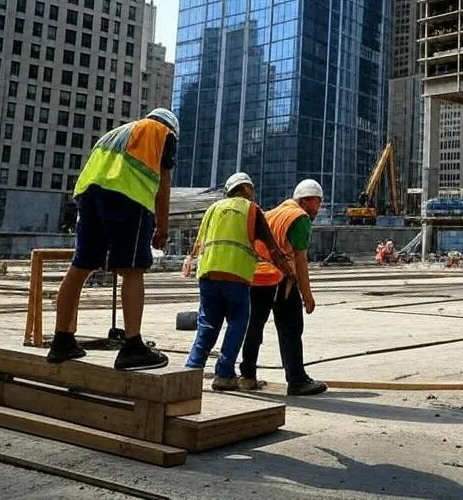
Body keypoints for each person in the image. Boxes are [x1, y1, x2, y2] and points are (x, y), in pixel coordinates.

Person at [46, 108, 180, 370]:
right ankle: (132, 346)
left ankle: (62, 340)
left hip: (89, 195)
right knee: (132, 269)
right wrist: (162, 226)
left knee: (80, 266)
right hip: (128, 196)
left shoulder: (114, 134)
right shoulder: (163, 133)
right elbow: (164, 184)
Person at [182, 172, 294, 391]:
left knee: (207, 323)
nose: (253, 193)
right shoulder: (251, 210)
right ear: (245, 189)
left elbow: (198, 243)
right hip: (234, 276)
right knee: (237, 322)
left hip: (208, 274)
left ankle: (192, 370)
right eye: (251, 189)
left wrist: (189, 262)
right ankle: (224, 374)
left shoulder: (213, 209)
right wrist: (289, 272)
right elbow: (272, 249)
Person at [238, 179, 328, 396]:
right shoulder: (299, 217)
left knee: (254, 326)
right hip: (279, 278)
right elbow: (300, 261)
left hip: (255, 276)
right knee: (290, 327)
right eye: (319, 203)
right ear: (309, 200)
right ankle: (296, 379)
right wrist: (307, 295)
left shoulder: (273, 212)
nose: (319, 209)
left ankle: (247, 376)